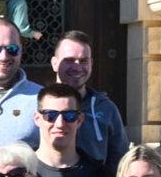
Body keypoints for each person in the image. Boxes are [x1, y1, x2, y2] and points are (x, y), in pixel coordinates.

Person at [51, 30, 129, 166]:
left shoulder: (106, 109)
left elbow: (119, 163)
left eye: (83, 61)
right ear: (54, 63)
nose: (77, 67)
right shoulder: (38, 107)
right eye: (69, 60)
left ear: (91, 63)